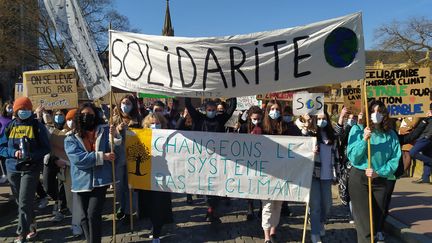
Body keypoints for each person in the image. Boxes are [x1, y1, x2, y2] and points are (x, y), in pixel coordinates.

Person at [64, 103, 121, 243]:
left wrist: (115, 136)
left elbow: (114, 150)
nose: (87, 117)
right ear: (78, 117)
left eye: (90, 115)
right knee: (83, 217)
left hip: (100, 180)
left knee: (93, 214)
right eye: (83, 115)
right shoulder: (70, 138)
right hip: (81, 181)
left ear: (95, 116)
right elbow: (78, 159)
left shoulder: (104, 130)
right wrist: (102, 156)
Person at [347, 100, 401, 243]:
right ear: (368, 113)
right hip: (360, 178)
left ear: (384, 115)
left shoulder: (391, 135)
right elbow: (353, 157)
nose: (376, 115)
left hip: (380, 179)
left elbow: (395, 159)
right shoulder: (357, 130)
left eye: (379, 112)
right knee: (365, 225)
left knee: (376, 222)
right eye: (373, 111)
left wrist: (379, 172)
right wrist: (364, 139)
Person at [0, 97, 51, 243]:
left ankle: (21, 233)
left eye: (26, 109)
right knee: (21, 200)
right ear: (16, 111)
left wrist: (32, 155)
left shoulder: (37, 126)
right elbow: (2, 147)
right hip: (12, 169)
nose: (23, 112)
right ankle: (32, 223)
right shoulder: (10, 126)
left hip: (31, 168)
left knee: (24, 200)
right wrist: (12, 153)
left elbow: (46, 148)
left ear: (30, 110)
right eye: (20, 109)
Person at [185, 96, 237, 223]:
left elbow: (232, 108)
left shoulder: (220, 119)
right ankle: (210, 208)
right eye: (209, 109)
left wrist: (232, 93)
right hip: (202, 159)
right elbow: (188, 104)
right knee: (206, 186)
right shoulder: (199, 118)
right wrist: (189, 92)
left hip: (218, 158)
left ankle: (211, 210)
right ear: (205, 109)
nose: (212, 111)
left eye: (214, 109)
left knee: (217, 185)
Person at [260, 100, 298, 243]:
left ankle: (273, 230)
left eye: (277, 109)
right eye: (272, 109)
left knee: (278, 204)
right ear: (268, 110)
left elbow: (301, 140)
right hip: (267, 172)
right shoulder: (262, 127)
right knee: (268, 205)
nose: (275, 111)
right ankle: (266, 237)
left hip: (282, 171)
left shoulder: (286, 126)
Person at [139, 113, 173, 243]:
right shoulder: (141, 137)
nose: (155, 125)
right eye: (152, 123)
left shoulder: (168, 137)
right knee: (149, 205)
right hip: (147, 177)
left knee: (159, 205)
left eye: (157, 123)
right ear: (147, 125)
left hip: (163, 177)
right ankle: (154, 226)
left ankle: (157, 233)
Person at [309, 111, 338, 243]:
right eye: (319, 118)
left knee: (327, 206)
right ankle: (314, 232)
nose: (322, 121)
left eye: (324, 118)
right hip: (314, 175)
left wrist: (336, 174)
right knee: (315, 205)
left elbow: (336, 155)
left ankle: (321, 222)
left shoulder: (332, 136)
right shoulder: (311, 135)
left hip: (327, 175)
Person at [113, 94, 142, 222]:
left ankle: (130, 211)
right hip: (119, 158)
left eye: (128, 103)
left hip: (133, 158)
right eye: (123, 103)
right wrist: (117, 131)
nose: (125, 105)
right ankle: (121, 206)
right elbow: (109, 140)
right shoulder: (114, 119)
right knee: (119, 186)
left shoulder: (138, 119)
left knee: (131, 186)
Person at [239, 105, 263, 221]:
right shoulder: (244, 127)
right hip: (249, 160)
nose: (257, 121)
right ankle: (250, 207)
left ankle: (262, 207)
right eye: (254, 119)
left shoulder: (264, 127)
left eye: (259, 119)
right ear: (250, 118)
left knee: (261, 185)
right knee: (250, 185)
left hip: (262, 160)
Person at [0, 101, 13, 184]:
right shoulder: (1, 117)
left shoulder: (15, 117)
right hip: (2, 140)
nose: (10, 109)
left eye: (12, 107)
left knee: (7, 159)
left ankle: (8, 175)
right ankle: (4, 174)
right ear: (5, 108)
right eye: (9, 107)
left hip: (11, 141)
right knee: (2, 158)